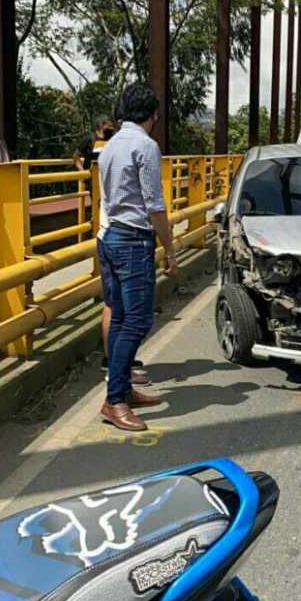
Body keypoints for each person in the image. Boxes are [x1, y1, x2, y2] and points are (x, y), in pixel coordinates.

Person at [97, 83, 178, 432]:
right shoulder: (146, 146)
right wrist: (170, 247)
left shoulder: (111, 144)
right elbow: (154, 205)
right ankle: (114, 400)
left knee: (119, 318)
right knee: (139, 321)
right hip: (133, 242)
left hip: (110, 237)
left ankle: (122, 391)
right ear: (154, 115)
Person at [78, 114, 151, 387]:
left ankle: (117, 369)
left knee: (116, 308)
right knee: (132, 316)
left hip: (106, 233)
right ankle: (118, 378)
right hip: (124, 236)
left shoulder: (108, 150)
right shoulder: (127, 148)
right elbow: (150, 201)